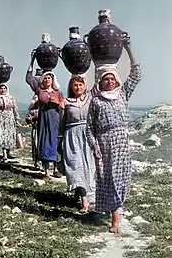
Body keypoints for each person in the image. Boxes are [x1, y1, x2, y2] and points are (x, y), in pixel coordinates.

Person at [86, 34, 141, 233]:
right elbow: (89, 128)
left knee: (121, 178)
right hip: (104, 144)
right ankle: (115, 218)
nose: (109, 81)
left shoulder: (123, 94)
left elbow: (136, 74)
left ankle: (117, 211)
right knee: (107, 179)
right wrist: (95, 147)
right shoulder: (96, 101)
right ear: (100, 83)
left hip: (121, 143)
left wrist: (128, 48)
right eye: (105, 79)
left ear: (117, 81)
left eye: (112, 78)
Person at [59, 74, 96, 213]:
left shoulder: (90, 100)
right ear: (71, 87)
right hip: (72, 136)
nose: (78, 87)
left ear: (84, 86)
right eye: (75, 85)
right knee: (76, 167)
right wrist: (60, 140)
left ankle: (85, 194)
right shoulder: (66, 102)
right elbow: (62, 124)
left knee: (89, 167)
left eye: (80, 84)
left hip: (88, 135)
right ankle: (84, 200)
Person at [26, 55, 64, 178]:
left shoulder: (58, 92)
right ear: (42, 80)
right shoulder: (40, 91)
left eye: (49, 78)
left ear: (53, 80)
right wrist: (32, 60)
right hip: (44, 120)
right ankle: (46, 170)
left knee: (54, 141)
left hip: (55, 120)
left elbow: (64, 104)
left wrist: (58, 103)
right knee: (44, 141)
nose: (47, 79)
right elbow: (29, 79)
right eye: (46, 78)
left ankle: (54, 168)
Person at [0, 83, 20, 163]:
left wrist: (17, 119)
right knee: (3, 135)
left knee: (10, 135)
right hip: (1, 118)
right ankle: (4, 154)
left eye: (4, 88)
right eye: (1, 88)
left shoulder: (11, 98)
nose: (3, 90)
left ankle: (8, 153)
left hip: (10, 118)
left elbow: (15, 108)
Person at [26, 94, 40, 168]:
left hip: (43, 129)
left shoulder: (43, 108)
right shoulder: (31, 110)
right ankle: (36, 162)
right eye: (34, 98)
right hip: (35, 128)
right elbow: (27, 119)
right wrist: (33, 117)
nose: (36, 99)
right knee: (35, 144)